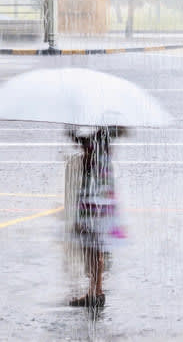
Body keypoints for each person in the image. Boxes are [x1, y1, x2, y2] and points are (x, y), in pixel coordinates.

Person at [68, 125, 127, 307]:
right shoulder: (104, 144)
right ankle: (96, 290)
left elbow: (86, 153)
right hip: (102, 203)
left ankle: (95, 292)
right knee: (95, 247)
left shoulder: (96, 146)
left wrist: (73, 135)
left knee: (91, 247)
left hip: (92, 205)